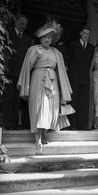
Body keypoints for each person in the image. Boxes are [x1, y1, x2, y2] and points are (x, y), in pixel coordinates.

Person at [17, 23, 72, 154]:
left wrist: (63, 89)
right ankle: (38, 141)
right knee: (38, 108)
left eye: (49, 37)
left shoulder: (57, 52)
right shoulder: (34, 49)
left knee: (51, 109)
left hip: (52, 82)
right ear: (40, 39)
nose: (47, 39)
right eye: (44, 37)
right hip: (38, 79)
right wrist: (35, 56)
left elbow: (61, 72)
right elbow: (27, 68)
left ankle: (45, 133)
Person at [2, 13, 33, 130]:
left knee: (17, 101)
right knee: (8, 99)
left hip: (21, 75)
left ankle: (13, 123)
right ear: (16, 22)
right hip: (8, 73)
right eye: (21, 23)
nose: (23, 26)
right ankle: (6, 123)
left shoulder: (28, 39)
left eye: (25, 24)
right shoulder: (7, 34)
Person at [67, 25, 95, 130]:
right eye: (84, 33)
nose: (86, 36)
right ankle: (72, 125)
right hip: (73, 77)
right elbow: (69, 61)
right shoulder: (73, 44)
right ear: (80, 33)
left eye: (88, 34)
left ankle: (82, 125)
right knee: (73, 101)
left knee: (84, 102)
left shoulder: (92, 47)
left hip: (85, 78)